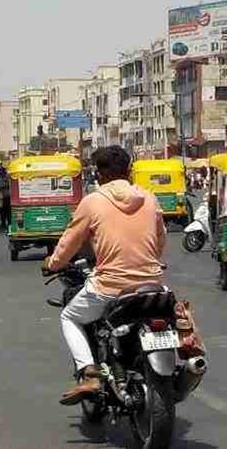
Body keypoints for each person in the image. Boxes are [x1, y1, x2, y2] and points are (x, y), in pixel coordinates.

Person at [42, 145, 167, 406]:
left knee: (69, 316)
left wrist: (52, 264)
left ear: (99, 175)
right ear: (129, 170)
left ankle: (89, 372)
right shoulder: (149, 198)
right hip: (152, 284)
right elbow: (160, 240)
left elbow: (69, 242)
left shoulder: (92, 202)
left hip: (110, 287)